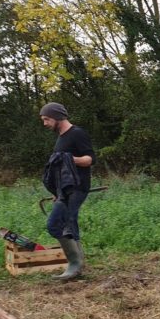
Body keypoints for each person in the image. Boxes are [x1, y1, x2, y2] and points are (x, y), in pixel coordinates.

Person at [40, 102, 95, 280]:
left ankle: (74, 264)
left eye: (47, 119)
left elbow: (89, 159)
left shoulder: (77, 133)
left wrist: (69, 159)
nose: (45, 123)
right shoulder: (61, 137)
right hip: (65, 190)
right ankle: (78, 266)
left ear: (57, 117)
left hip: (78, 187)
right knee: (70, 223)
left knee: (55, 225)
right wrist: (57, 191)